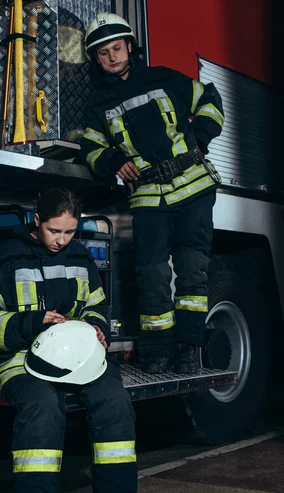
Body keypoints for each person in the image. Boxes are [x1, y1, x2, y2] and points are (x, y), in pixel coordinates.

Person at [0, 188, 148, 493]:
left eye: (68, 232)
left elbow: (97, 305)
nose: (61, 240)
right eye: (54, 231)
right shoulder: (5, 259)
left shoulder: (80, 256)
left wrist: (98, 328)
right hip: (18, 357)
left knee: (114, 401)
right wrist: (32, 323)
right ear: (37, 220)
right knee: (43, 407)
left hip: (76, 355)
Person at [80, 13, 225, 374]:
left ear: (130, 46)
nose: (112, 57)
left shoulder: (164, 78)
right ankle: (158, 351)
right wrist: (113, 160)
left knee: (193, 270)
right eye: (103, 53)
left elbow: (209, 98)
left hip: (193, 186)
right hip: (148, 196)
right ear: (96, 60)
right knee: (152, 274)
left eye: (117, 48)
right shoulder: (97, 106)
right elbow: (91, 149)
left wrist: (201, 139)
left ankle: (188, 348)